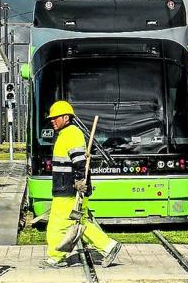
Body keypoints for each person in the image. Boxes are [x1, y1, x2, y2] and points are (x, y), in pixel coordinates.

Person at [42, 100, 121, 268]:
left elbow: (79, 161)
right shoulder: (68, 133)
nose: (52, 120)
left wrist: (78, 181)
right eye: (51, 118)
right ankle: (109, 246)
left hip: (68, 190)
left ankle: (55, 257)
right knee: (80, 223)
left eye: (55, 118)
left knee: (58, 224)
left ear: (66, 117)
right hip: (70, 188)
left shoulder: (71, 134)